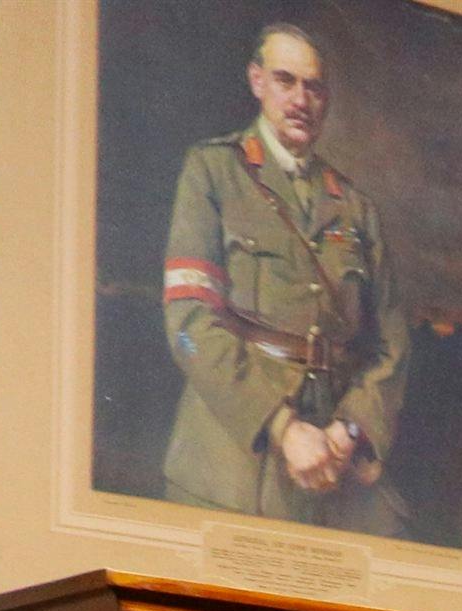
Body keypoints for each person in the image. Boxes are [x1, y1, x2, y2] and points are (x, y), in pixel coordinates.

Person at [161, 22, 408, 530]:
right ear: (257, 82)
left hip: (332, 472)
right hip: (230, 468)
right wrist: (282, 427)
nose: (301, 99)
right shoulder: (212, 171)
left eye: (314, 87)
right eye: (285, 80)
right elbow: (189, 322)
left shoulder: (357, 207)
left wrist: (350, 429)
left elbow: (392, 344)